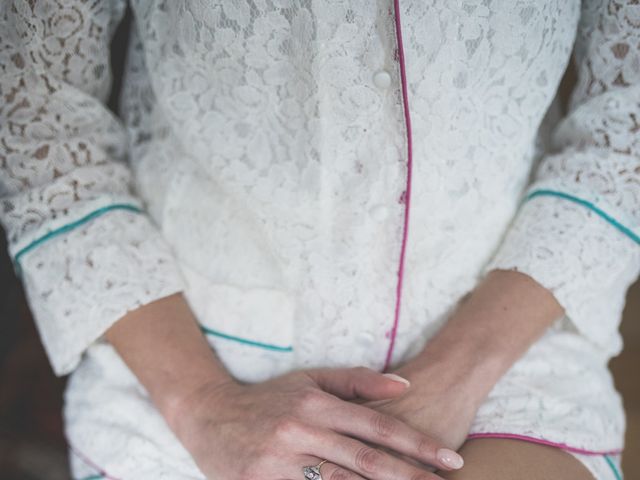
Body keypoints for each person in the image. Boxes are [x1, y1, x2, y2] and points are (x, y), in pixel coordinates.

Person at [1, 1, 638, 479]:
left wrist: (458, 376)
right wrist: (202, 402)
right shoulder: (197, 390)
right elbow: (38, 115)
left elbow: (626, 121)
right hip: (190, 360)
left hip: (504, 343)